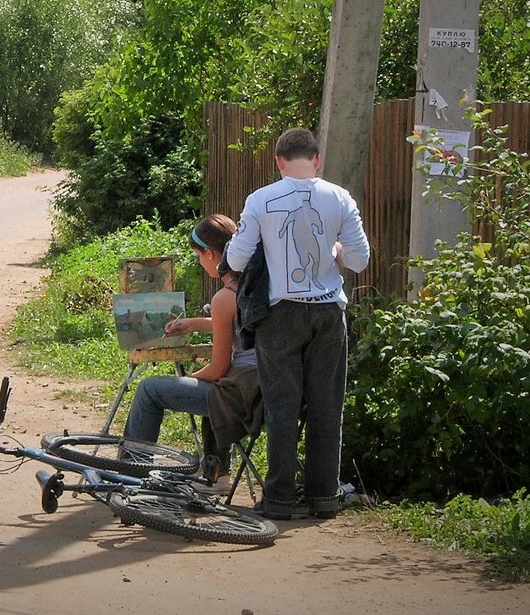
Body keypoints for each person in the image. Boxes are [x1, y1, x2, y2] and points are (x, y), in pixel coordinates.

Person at [223, 127, 370, 520]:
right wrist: (336, 250)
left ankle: (279, 500)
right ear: (318, 159)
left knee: (281, 406)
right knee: (326, 406)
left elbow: (235, 260)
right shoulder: (341, 198)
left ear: (278, 162)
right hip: (328, 312)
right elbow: (359, 259)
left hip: (280, 313)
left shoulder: (261, 199)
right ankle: (323, 498)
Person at [122, 214, 260, 489]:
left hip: (245, 395)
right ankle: (217, 472)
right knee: (214, 386)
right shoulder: (259, 285)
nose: (199, 261)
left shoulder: (224, 298)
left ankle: (130, 475)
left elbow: (218, 368)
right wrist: (195, 324)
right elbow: (243, 325)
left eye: (198, 255)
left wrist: (192, 378)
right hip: (272, 388)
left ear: (210, 254)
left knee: (150, 390)